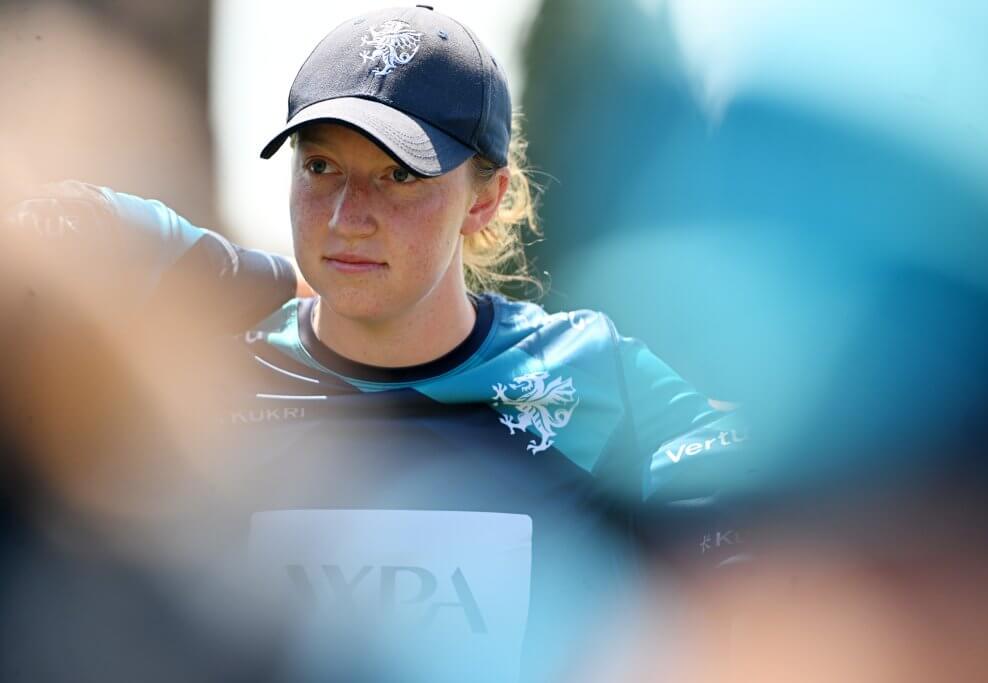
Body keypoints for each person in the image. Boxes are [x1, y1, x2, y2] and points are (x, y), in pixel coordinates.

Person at [4, 6, 751, 682]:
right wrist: (243, 273)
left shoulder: (589, 375)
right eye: (320, 167)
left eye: (398, 175)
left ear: (485, 198)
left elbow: (768, 555)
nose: (346, 217)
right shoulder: (209, 379)